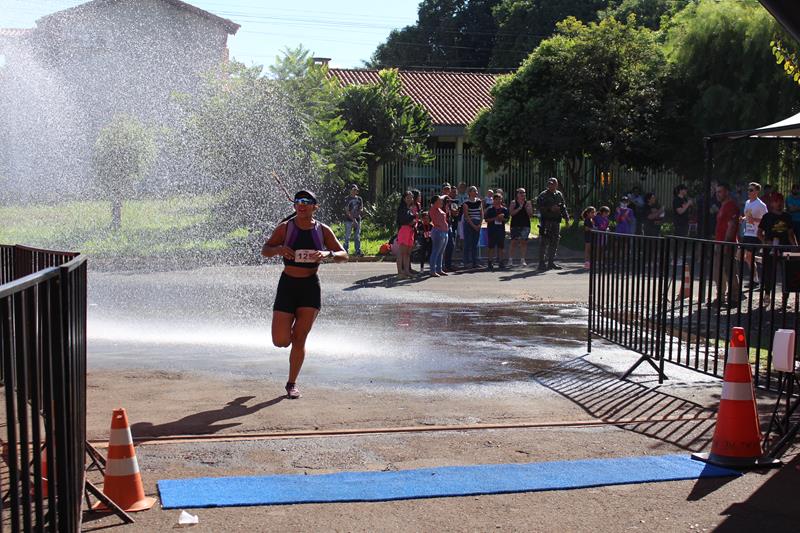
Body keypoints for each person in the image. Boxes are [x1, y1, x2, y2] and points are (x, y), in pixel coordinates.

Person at [261, 190, 348, 399]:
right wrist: (280, 249)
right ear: (295, 206)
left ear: (314, 207)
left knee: (299, 339)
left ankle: (291, 383)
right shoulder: (286, 228)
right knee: (281, 341)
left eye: (307, 202)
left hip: (310, 286)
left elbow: (344, 254)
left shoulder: (322, 230)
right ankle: (288, 334)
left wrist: (328, 254)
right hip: (287, 285)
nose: (302, 205)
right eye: (298, 201)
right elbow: (265, 249)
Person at [758, 192, 797, 298]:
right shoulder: (767, 216)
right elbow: (759, 232)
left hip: (785, 248)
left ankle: (785, 296)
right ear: (772, 203)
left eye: (781, 201)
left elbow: (790, 234)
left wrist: (796, 247)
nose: (779, 203)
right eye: (776, 201)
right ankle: (767, 294)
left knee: (787, 272)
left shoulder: (787, 216)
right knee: (768, 272)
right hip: (770, 248)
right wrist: (766, 243)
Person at [713, 182, 741, 307]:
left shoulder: (731, 206)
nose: (717, 194)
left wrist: (726, 243)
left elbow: (731, 226)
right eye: (716, 191)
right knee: (718, 271)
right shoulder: (723, 205)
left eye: (720, 191)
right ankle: (720, 297)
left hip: (727, 243)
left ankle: (734, 297)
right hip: (720, 242)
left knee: (730, 271)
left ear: (726, 192)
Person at [536, 177, 570, 271]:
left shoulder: (559, 194)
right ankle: (541, 263)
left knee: (555, 241)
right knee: (544, 242)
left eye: (553, 183)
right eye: (550, 183)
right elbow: (539, 207)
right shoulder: (543, 195)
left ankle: (551, 262)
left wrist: (566, 218)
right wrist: (550, 208)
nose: (551, 185)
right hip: (546, 221)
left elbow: (563, 207)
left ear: (556, 185)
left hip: (556, 221)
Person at [741, 182, 768, 287]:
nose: (749, 191)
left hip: (755, 234)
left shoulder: (761, 205)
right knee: (743, 257)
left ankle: (754, 280)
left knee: (748, 256)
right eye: (748, 189)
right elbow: (747, 215)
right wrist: (743, 219)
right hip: (747, 232)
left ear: (757, 191)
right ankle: (760, 261)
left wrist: (755, 220)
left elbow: (766, 220)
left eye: (751, 190)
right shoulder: (747, 202)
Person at [508, 188, 533, 267]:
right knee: (513, 242)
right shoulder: (513, 202)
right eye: (521, 193)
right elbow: (511, 213)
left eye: (524, 193)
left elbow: (530, 215)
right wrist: (519, 207)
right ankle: (510, 260)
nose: (522, 194)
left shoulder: (528, 203)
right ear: (517, 194)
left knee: (523, 242)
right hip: (515, 225)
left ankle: (522, 260)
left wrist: (527, 208)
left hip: (525, 225)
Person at [395, 191, 417, 279]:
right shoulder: (402, 208)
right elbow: (403, 220)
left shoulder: (409, 209)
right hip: (404, 230)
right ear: (404, 199)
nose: (410, 199)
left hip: (410, 231)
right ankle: (400, 272)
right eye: (408, 197)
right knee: (401, 252)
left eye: (411, 197)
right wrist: (412, 219)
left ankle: (407, 271)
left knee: (407, 253)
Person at [484, 192, 509, 270]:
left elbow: (507, 219)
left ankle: (501, 262)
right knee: (491, 247)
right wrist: (495, 218)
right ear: (493, 200)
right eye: (496, 199)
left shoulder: (504, 209)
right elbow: (486, 219)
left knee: (501, 247)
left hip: (501, 230)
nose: (498, 201)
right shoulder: (490, 209)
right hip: (492, 230)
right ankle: (490, 261)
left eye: (499, 199)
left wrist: (502, 219)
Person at [461, 186, 484, 269]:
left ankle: (475, 262)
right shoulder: (466, 203)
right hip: (469, 224)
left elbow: (482, 214)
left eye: (476, 191)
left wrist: (480, 224)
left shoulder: (479, 201)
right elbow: (466, 216)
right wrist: (473, 226)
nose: (476, 192)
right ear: (469, 192)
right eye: (474, 191)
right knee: (468, 243)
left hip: (477, 223)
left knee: (475, 244)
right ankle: (466, 262)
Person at [428, 195, 450, 277]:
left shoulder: (439, 209)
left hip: (444, 232)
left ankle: (439, 269)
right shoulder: (433, 209)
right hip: (438, 231)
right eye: (439, 201)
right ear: (435, 202)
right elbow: (439, 198)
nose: (441, 202)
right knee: (435, 251)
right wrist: (445, 196)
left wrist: (446, 196)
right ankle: (432, 270)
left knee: (441, 252)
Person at [342, 184, 363, 256]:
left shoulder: (359, 199)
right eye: (354, 189)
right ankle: (345, 251)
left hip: (358, 219)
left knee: (357, 236)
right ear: (350, 190)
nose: (355, 191)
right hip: (348, 220)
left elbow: (361, 208)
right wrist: (353, 220)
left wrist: (357, 217)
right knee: (347, 236)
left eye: (356, 190)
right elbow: (347, 211)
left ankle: (358, 251)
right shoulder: (347, 199)